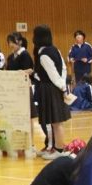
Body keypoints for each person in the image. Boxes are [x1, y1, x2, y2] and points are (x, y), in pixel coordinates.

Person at [33, 25, 71, 159]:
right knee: (55, 122)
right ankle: (55, 148)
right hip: (55, 87)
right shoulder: (55, 49)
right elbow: (64, 69)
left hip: (50, 89)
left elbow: (53, 74)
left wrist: (63, 88)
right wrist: (63, 85)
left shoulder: (44, 55)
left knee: (56, 122)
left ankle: (59, 151)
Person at [5, 32, 37, 126]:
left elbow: (30, 70)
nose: (11, 44)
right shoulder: (10, 57)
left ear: (20, 42)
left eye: (13, 42)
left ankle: (29, 134)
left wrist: (20, 73)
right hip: (13, 88)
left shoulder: (25, 54)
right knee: (16, 114)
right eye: (9, 42)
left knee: (27, 115)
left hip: (24, 88)